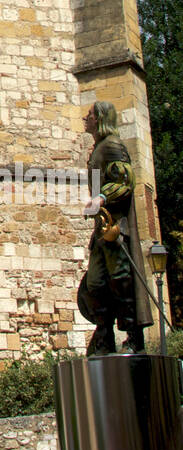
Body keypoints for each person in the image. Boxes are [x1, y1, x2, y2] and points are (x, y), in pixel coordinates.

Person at [77, 100, 152, 356]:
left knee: (121, 281)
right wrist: (93, 204)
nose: (84, 118)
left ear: (99, 118)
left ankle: (133, 337)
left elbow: (125, 180)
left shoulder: (113, 146)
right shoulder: (97, 150)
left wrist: (102, 198)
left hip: (117, 229)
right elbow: (96, 186)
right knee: (96, 284)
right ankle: (104, 335)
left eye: (88, 115)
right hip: (102, 230)